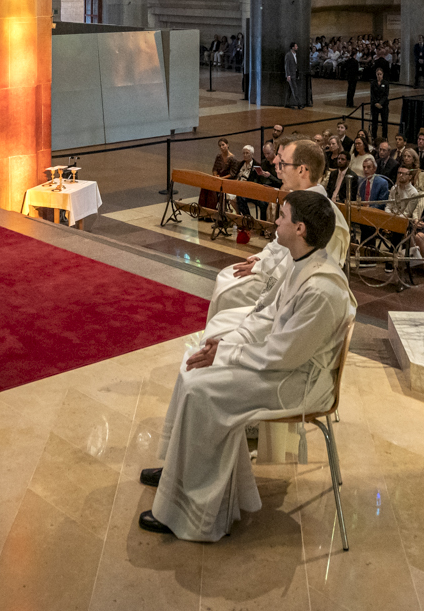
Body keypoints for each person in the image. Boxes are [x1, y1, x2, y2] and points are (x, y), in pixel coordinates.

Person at [140, 192, 354, 541]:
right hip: (283, 364)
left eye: (282, 217)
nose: (276, 222)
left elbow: (282, 355)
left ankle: (195, 513)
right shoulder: (303, 261)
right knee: (193, 368)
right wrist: (228, 342)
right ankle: (177, 475)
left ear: (300, 228)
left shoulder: (322, 289)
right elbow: (270, 315)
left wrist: (226, 356)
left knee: (201, 389)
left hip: (296, 382)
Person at [205, 139, 348, 325]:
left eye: (283, 162)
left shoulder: (320, 214)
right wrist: (261, 258)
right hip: (274, 271)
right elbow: (279, 242)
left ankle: (222, 344)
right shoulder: (298, 200)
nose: (275, 164)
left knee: (228, 291)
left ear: (302, 170)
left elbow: (303, 267)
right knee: (227, 277)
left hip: (289, 290)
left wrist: (260, 266)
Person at [369, 65, 391, 138]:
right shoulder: (373, 83)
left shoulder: (386, 83)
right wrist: (376, 103)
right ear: (376, 74)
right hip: (374, 106)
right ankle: (374, 137)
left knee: (384, 123)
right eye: (378, 74)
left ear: (383, 74)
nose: (379, 76)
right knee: (374, 122)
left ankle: (384, 137)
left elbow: (386, 95)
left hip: (383, 106)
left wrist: (380, 103)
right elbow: (372, 94)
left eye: (380, 74)